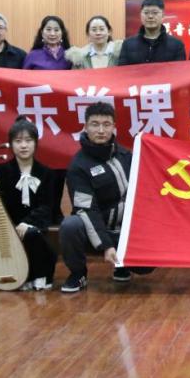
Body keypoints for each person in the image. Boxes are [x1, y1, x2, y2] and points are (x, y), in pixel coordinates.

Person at [58, 102, 154, 292]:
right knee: (70, 225)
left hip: (125, 230)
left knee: (146, 266)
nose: (101, 130)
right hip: (94, 231)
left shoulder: (126, 155)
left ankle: (122, 265)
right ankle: (78, 274)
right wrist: (106, 245)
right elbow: (86, 210)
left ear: (114, 127)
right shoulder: (78, 166)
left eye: (106, 124)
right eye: (95, 124)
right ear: (85, 127)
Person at [0, 117, 57, 290]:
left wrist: (27, 223)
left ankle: (40, 275)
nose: (24, 145)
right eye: (18, 141)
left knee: (32, 234)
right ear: (11, 145)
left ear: (35, 143)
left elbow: (47, 206)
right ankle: (21, 276)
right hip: (9, 224)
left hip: (36, 224)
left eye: (28, 140)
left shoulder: (46, 172)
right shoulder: (0, 171)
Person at [118, 0, 186, 65]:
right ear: (140, 15)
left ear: (163, 15)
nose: (150, 16)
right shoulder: (128, 44)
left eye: (155, 13)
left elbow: (180, 70)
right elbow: (122, 70)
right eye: (146, 13)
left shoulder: (177, 45)